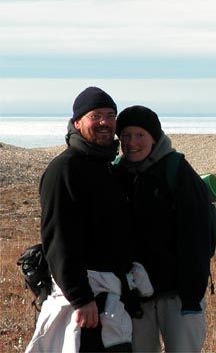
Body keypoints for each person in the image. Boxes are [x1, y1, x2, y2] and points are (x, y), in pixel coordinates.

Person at [25, 87, 143, 353]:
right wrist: (80, 298)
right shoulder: (64, 170)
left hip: (112, 299)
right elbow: (58, 239)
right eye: (96, 115)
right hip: (88, 302)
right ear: (77, 122)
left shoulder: (107, 169)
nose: (104, 122)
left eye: (110, 115)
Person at [114, 105, 212, 353]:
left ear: (154, 137)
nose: (131, 143)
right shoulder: (118, 174)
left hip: (178, 295)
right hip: (136, 296)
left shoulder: (177, 170)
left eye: (140, 135)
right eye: (125, 135)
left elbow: (199, 236)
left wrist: (192, 296)